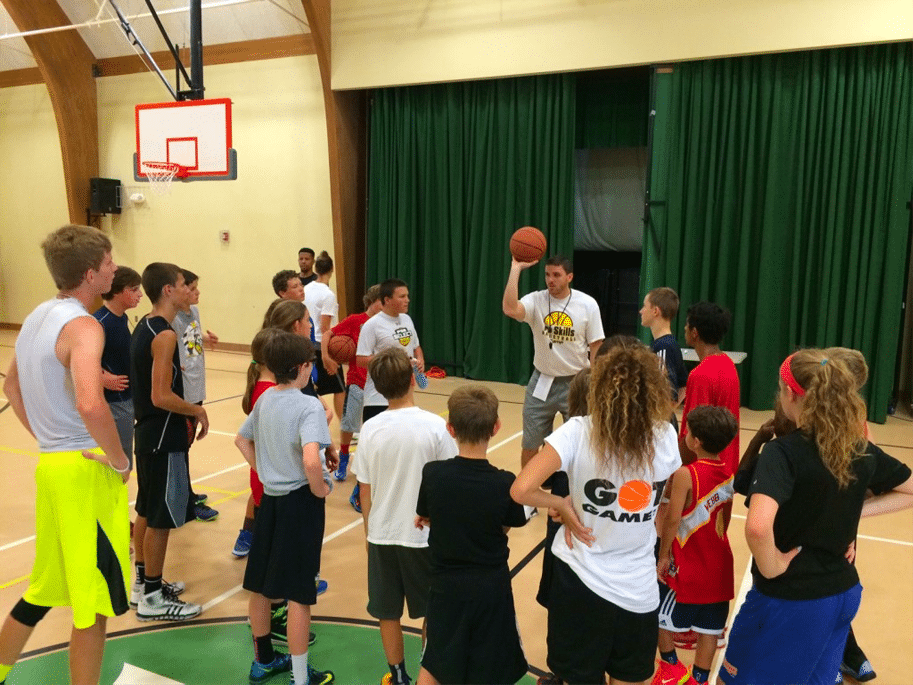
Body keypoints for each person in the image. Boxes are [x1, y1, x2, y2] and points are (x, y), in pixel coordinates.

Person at [718, 349, 913, 684]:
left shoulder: (783, 453)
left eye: (781, 391)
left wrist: (772, 564)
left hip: (791, 601)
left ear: (793, 397)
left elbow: (758, 525)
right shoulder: (859, 447)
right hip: (843, 595)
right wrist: (852, 515)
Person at [0, 225, 131, 685]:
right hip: (84, 472)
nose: (115, 268)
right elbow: (91, 402)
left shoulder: (36, 316)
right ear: (93, 273)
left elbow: (11, 385)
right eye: (110, 262)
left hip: (52, 468)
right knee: (91, 603)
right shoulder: (83, 326)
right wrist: (119, 460)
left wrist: (47, 438)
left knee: (41, 591)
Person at [511, 344, 680, 685]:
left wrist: (560, 504)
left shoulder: (577, 431)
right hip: (638, 589)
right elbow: (665, 502)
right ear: (653, 391)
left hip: (579, 584)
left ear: (600, 389)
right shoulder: (665, 436)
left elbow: (520, 489)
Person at [235, 330, 334, 685]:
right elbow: (311, 460)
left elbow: (241, 439)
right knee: (298, 594)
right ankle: (300, 676)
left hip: (271, 502)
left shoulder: (264, 400)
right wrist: (320, 488)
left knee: (260, 586)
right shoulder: (309, 406)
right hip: (300, 504)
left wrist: (265, 470)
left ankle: (263, 661)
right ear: (303, 367)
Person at [415, 385, 528, 685]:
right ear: (496, 428)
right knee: (489, 666)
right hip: (490, 588)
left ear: (450, 429)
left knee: (435, 660)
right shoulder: (505, 483)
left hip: (445, 586)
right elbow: (508, 523)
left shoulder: (433, 473)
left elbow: (426, 515)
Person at [357, 347, 457, 685]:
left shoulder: (370, 429)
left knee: (387, 611)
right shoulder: (435, 427)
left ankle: (398, 675)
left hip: (382, 535)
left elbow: (365, 492)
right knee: (433, 610)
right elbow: (448, 483)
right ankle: (431, 673)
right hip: (423, 537)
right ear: (413, 378)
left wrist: (369, 534)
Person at [130, 263, 207, 621]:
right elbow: (161, 395)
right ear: (167, 291)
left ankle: (143, 585)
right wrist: (196, 410)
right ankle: (153, 599)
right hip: (162, 433)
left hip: (147, 433)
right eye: (181, 284)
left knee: (146, 510)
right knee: (160, 519)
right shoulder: (164, 335)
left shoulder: (143, 326)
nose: (186, 289)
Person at [654, 406, 738, 685]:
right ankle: (700, 679)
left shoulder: (686, 475)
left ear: (696, 441)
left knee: (656, 615)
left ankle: (670, 667)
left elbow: (672, 519)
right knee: (710, 628)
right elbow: (725, 518)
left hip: (690, 564)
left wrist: (663, 556)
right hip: (719, 563)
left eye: (688, 431)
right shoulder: (728, 472)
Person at [502, 255, 605, 476]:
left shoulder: (587, 304)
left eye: (556, 275)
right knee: (530, 443)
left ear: (569, 277)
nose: (550, 280)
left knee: (581, 443)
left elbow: (596, 345)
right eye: (547, 274)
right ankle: (528, 498)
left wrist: (595, 382)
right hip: (542, 380)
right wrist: (515, 268)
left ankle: (572, 493)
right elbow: (510, 309)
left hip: (577, 383)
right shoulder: (536, 300)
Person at [353, 278, 424, 511]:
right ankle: (359, 492)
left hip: (405, 394)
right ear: (386, 300)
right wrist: (392, 358)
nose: (407, 300)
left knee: (399, 445)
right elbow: (361, 360)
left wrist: (419, 359)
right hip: (377, 396)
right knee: (374, 450)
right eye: (402, 296)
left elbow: (415, 345)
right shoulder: (372, 325)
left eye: (407, 296)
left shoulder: (407, 320)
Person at [172, 268, 219, 523]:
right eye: (191, 288)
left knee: (186, 445)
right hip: (183, 391)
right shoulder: (172, 319)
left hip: (196, 385)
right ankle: (185, 501)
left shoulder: (194, 313)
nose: (197, 292)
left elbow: (190, 345)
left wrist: (204, 337)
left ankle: (186, 492)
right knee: (182, 444)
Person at [324, 284, 382, 482]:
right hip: (357, 381)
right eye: (382, 302)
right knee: (349, 424)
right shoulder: (355, 321)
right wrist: (326, 356)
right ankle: (344, 457)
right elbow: (327, 334)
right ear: (373, 302)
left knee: (374, 427)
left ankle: (372, 463)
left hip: (380, 384)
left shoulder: (388, 324)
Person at [678, 302, 740, 474]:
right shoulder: (728, 364)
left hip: (704, 475)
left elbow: (694, 435)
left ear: (695, 332)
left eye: (687, 325)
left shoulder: (701, 374)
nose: (684, 328)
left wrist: (672, 473)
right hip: (725, 470)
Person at [93, 265, 143, 468]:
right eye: (134, 289)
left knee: (125, 461)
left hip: (127, 398)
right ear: (118, 291)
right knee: (119, 462)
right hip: (114, 402)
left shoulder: (121, 318)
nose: (140, 295)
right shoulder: (99, 322)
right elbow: (77, 360)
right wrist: (101, 376)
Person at [304, 251, 346, 422]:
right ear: (332, 269)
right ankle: (345, 425)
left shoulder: (306, 289)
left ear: (315, 268)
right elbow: (325, 327)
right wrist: (327, 354)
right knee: (340, 388)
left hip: (307, 344)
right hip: (322, 346)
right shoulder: (328, 295)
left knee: (311, 389)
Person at [640, 287, 687, 417]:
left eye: (644, 306)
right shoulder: (667, 344)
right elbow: (683, 385)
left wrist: (661, 417)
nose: (641, 311)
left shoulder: (663, 347)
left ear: (655, 311)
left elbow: (666, 391)